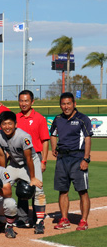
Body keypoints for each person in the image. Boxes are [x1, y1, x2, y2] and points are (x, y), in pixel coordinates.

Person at [0, 111, 45, 232]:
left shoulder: (23, 136)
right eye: (4, 124)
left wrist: (32, 178)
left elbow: (29, 158)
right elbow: (1, 155)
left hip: (30, 163)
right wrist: (2, 174)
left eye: (10, 124)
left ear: (15, 124)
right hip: (14, 164)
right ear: (0, 125)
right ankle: (2, 219)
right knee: (2, 188)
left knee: (38, 189)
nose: (7, 127)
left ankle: (39, 221)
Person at [50, 92, 93, 230]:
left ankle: (84, 220)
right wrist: (53, 148)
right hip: (62, 158)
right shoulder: (58, 119)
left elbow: (87, 138)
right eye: (63, 104)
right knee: (62, 191)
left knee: (82, 191)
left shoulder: (82, 119)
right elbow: (53, 134)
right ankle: (64, 219)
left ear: (74, 104)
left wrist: (86, 158)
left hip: (78, 157)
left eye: (69, 103)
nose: (66, 106)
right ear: (60, 105)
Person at [16, 89, 50, 225]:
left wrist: (44, 161)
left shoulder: (39, 118)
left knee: (37, 187)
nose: (23, 103)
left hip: (36, 156)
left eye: (26, 101)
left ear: (32, 102)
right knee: (22, 188)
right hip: (20, 157)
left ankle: (38, 218)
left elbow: (45, 141)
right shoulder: (16, 118)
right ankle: (23, 218)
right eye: (21, 101)